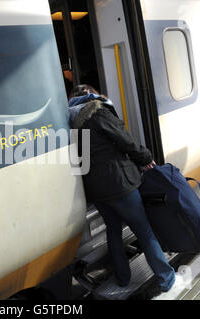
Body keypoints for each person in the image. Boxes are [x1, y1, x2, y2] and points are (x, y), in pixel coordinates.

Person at [68, 84, 179, 293]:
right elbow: (125, 140)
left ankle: (122, 279)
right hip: (120, 185)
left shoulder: (70, 122)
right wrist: (146, 158)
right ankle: (167, 278)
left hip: (96, 191)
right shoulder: (98, 112)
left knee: (113, 232)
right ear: (92, 95)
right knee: (143, 230)